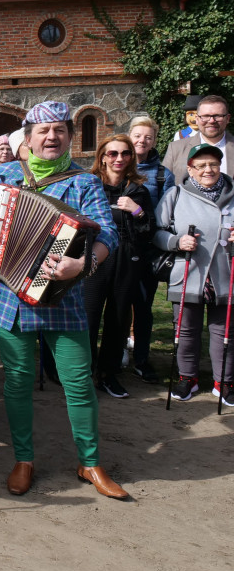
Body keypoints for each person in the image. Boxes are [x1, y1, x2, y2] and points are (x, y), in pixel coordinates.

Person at [0, 101, 127, 500]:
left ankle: (89, 462)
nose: (51, 137)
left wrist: (84, 263)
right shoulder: (5, 174)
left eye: (59, 130)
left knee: (77, 382)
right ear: (29, 137)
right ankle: (24, 459)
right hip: (11, 295)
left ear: (70, 136)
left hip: (64, 296)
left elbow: (108, 233)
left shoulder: (83, 183)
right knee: (17, 383)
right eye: (43, 131)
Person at [154, 143, 234, 404]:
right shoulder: (175, 195)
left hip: (226, 273)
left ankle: (224, 382)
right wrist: (177, 242)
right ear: (190, 169)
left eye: (213, 164)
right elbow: (157, 232)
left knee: (225, 331)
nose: (208, 170)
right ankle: (187, 378)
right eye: (201, 165)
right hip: (189, 271)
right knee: (186, 330)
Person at [84, 135, 155, 397]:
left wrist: (136, 211)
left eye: (125, 154)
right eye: (112, 153)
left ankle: (108, 373)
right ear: (102, 156)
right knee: (89, 317)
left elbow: (149, 230)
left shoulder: (138, 190)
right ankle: (85, 372)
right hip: (95, 257)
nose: (119, 159)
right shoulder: (90, 186)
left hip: (127, 259)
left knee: (118, 317)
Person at [129, 115, 174, 381]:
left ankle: (142, 360)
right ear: (130, 135)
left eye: (148, 136)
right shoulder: (117, 165)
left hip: (147, 248)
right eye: (137, 135)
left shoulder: (162, 174)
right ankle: (116, 352)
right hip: (121, 246)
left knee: (143, 307)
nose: (142, 141)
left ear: (154, 140)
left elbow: (165, 213)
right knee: (117, 304)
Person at [163, 95, 234, 178]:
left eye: (217, 116)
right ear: (197, 119)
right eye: (205, 116)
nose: (211, 121)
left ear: (228, 118)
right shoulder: (175, 148)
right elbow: (164, 185)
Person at [130, 116, 174, 210]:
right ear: (129, 138)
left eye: (148, 138)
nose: (142, 140)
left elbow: (167, 212)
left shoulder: (164, 176)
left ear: (154, 142)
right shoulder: (116, 168)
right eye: (137, 136)